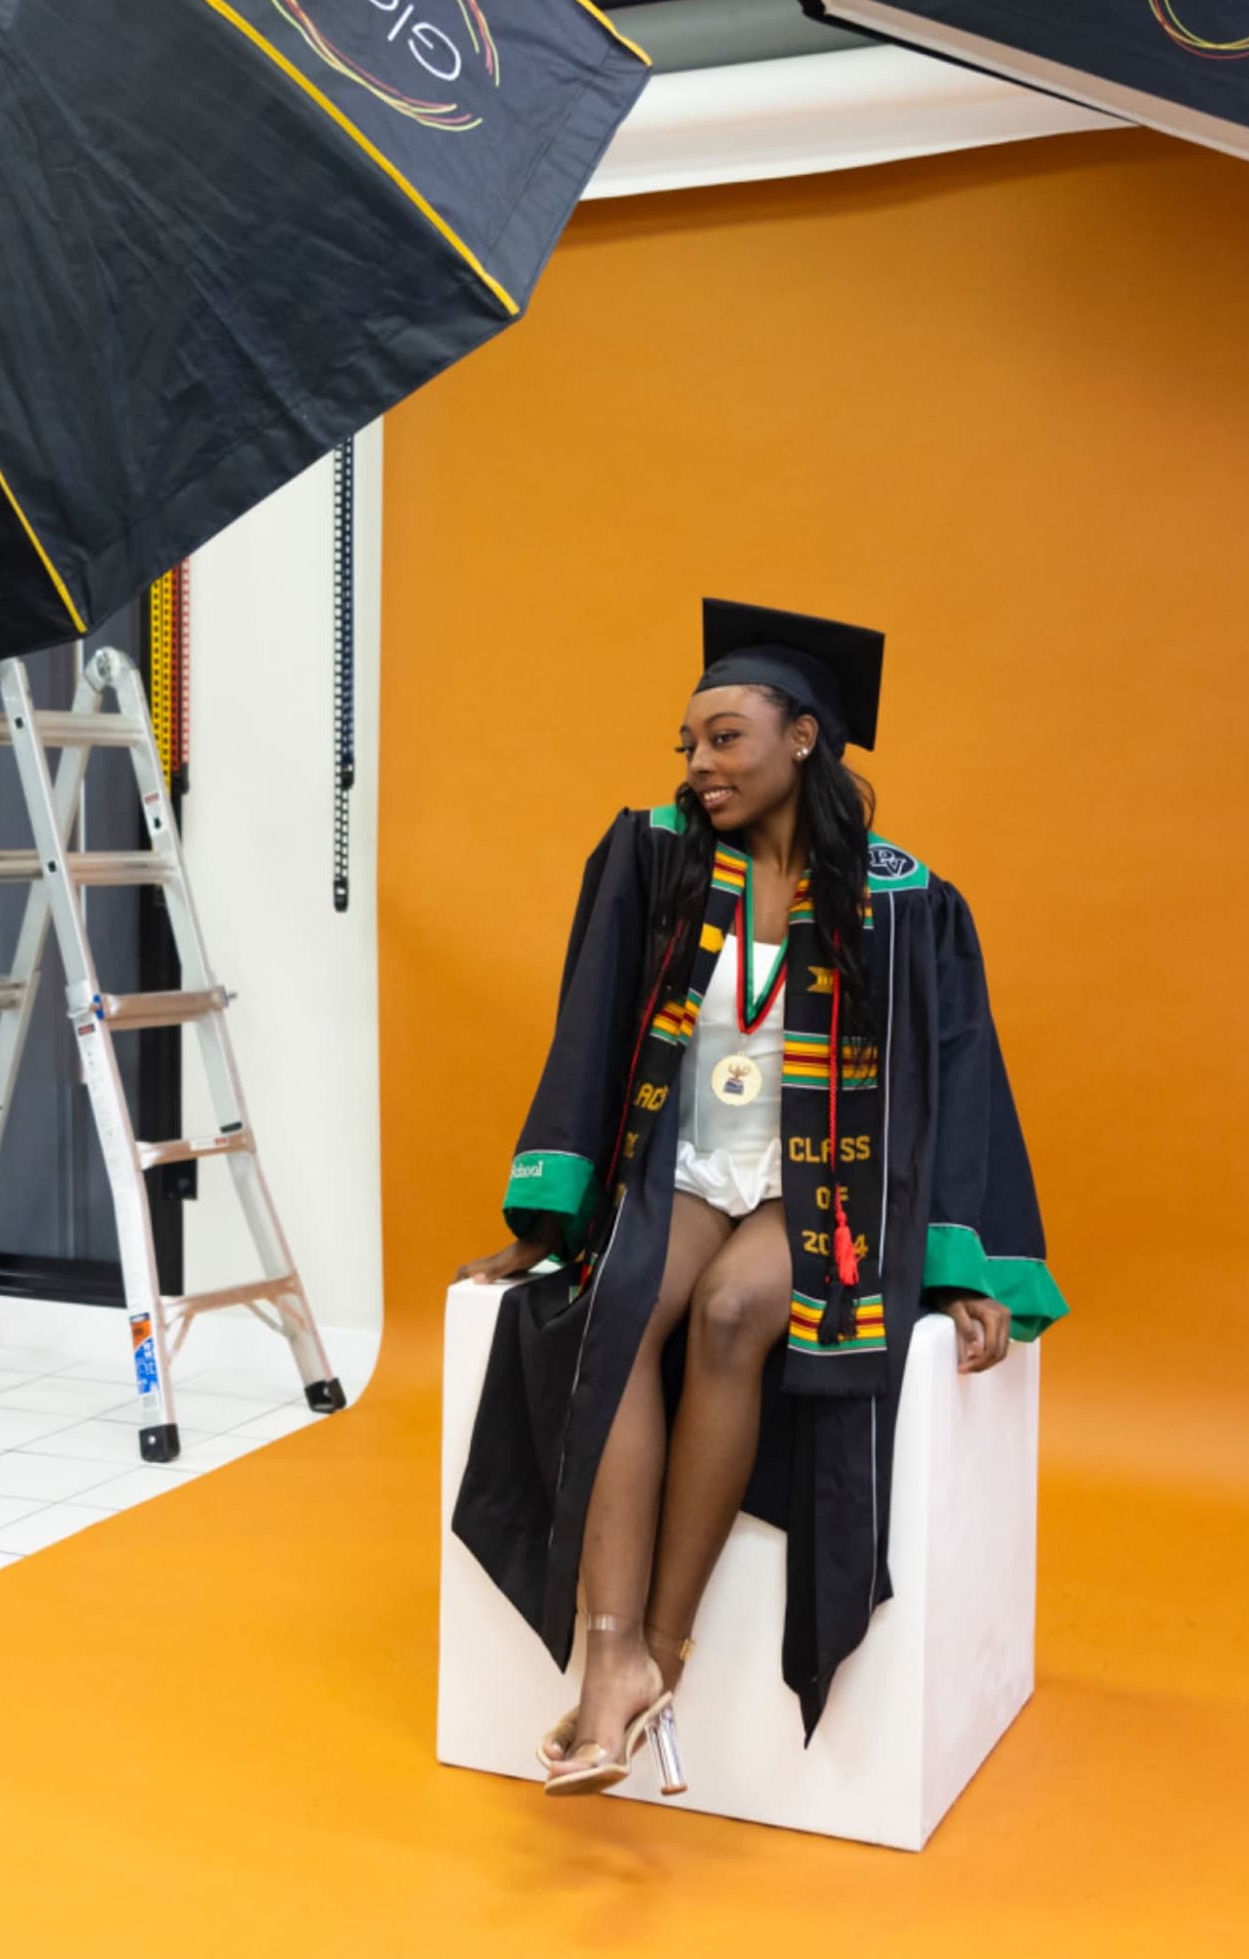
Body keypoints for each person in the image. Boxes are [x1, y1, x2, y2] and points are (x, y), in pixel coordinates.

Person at [451, 600, 1063, 1796]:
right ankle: (611, 1656)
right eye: (687, 743)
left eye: (725, 737)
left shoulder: (907, 901)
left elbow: (959, 1083)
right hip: (687, 1165)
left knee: (736, 1314)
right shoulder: (654, 858)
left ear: (805, 738)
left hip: (820, 1188)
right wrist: (552, 1217)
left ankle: (663, 1649)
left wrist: (961, 1267)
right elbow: (587, 1034)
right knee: (622, 1301)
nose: (698, 765)